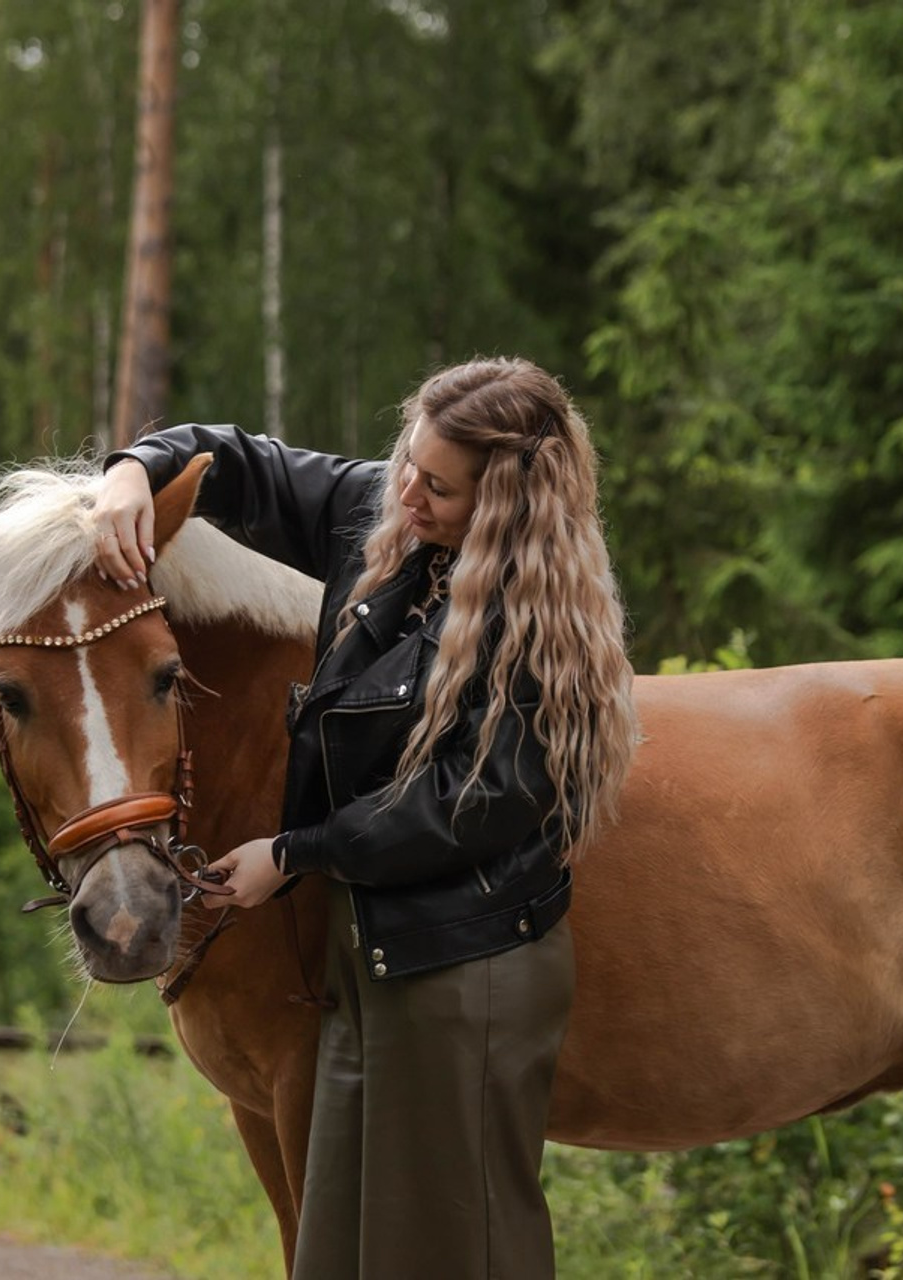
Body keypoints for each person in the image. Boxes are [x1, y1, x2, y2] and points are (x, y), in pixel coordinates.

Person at [92, 355, 638, 1279]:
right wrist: (129, 474)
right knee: (343, 1253)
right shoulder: (386, 513)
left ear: (506, 508)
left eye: (440, 488)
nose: (408, 497)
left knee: (464, 1253)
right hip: (374, 958)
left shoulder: (540, 627)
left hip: (468, 971)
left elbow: (467, 807)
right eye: (408, 466)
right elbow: (242, 461)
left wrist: (292, 852)